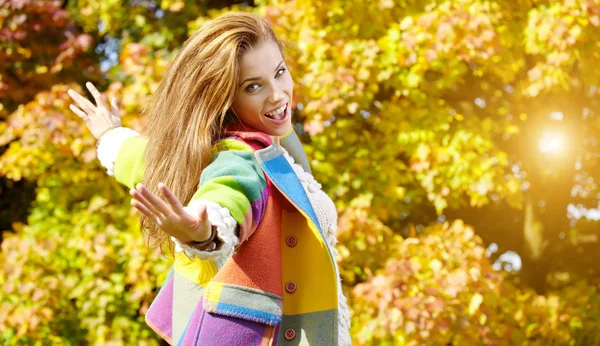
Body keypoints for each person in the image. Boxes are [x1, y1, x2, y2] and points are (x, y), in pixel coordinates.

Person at [68, 12, 351, 346]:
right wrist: (204, 232)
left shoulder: (213, 152)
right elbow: (228, 194)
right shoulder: (243, 156)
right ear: (224, 99)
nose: (278, 95)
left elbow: (151, 163)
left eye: (279, 72)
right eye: (253, 86)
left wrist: (110, 135)